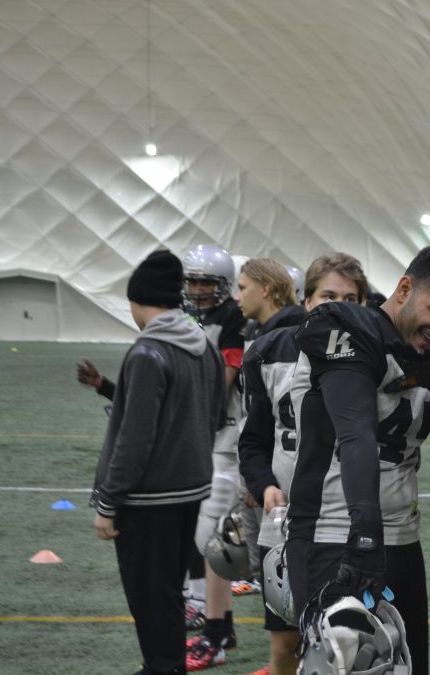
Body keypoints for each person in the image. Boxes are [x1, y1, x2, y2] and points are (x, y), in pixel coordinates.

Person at [286, 245, 430, 675]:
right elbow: (355, 433)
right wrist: (365, 538)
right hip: (337, 534)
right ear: (404, 288)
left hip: (403, 540)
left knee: (409, 667)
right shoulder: (346, 327)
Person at [91, 249, 227, 675]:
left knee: (149, 595)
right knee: (168, 591)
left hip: (148, 499)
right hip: (191, 490)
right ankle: (165, 664)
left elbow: (133, 441)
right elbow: (216, 414)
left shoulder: (148, 352)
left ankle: (162, 666)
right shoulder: (204, 346)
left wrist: (107, 503)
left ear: (137, 300)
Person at [238, 253, 368, 675]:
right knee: (285, 645)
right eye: (328, 296)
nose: (339, 307)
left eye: (350, 299)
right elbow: (252, 440)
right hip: (287, 520)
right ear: (307, 301)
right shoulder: (269, 353)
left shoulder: (375, 357)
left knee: (349, 645)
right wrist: (262, 484)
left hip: (348, 522)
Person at [187, 256, 296, 672]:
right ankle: (223, 630)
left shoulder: (286, 336)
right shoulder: (258, 331)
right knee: (231, 546)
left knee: (242, 548)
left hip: (267, 463)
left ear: (266, 289)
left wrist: (261, 473)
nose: (236, 297)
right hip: (253, 457)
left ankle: (231, 636)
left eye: (244, 287)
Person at [180, 245, 250, 671]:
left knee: (214, 537)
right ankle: (218, 625)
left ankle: (217, 632)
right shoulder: (194, 317)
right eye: (194, 281)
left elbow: (223, 380)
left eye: (207, 282)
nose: (199, 289)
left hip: (226, 436)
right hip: (207, 437)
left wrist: (186, 416)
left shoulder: (231, 319)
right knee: (206, 533)